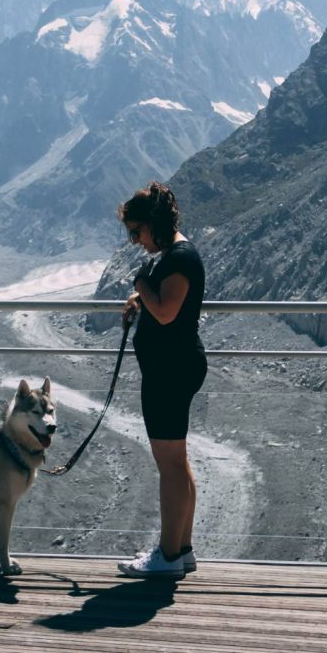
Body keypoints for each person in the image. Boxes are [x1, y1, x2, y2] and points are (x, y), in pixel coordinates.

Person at [116, 181, 207, 579]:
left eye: (137, 232)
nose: (135, 240)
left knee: (169, 466)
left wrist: (139, 286)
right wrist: (142, 297)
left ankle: (167, 556)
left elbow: (168, 312)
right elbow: (163, 302)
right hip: (170, 368)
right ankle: (181, 549)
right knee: (177, 462)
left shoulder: (181, 258)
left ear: (154, 223)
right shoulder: (172, 254)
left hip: (170, 372)